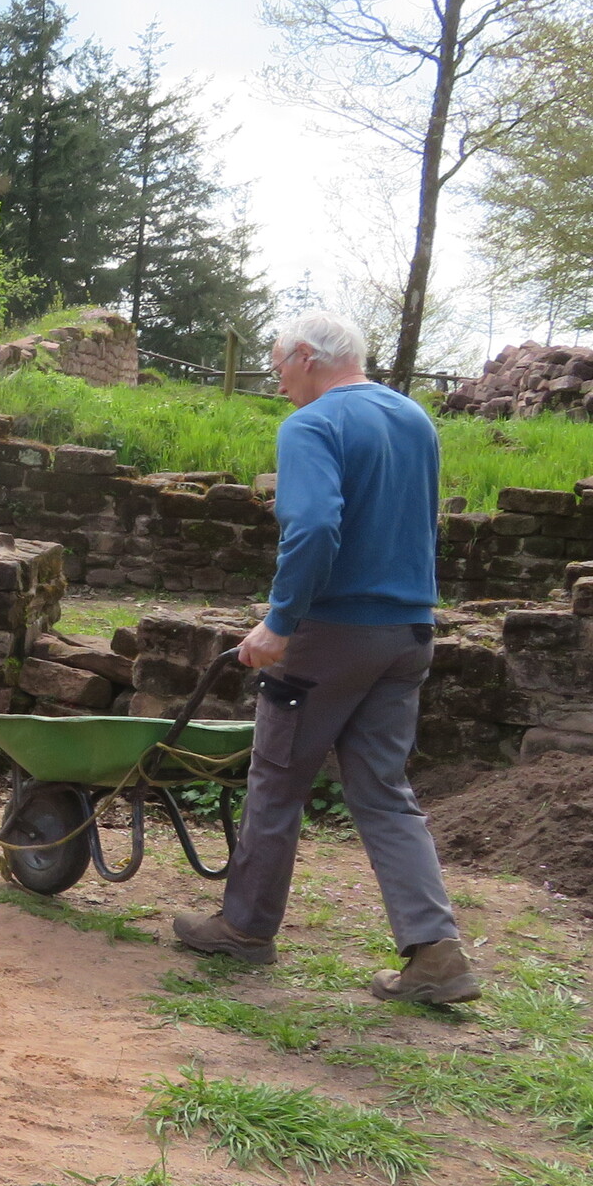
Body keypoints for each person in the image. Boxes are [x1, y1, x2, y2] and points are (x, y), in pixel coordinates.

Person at [172, 311, 480, 1004]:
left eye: (278, 366)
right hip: (408, 632)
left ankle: (244, 929)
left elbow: (312, 525)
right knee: (384, 792)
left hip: (331, 634)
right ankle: (437, 955)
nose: (278, 382)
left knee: (277, 780)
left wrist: (280, 623)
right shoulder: (413, 419)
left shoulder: (311, 425)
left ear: (306, 356)